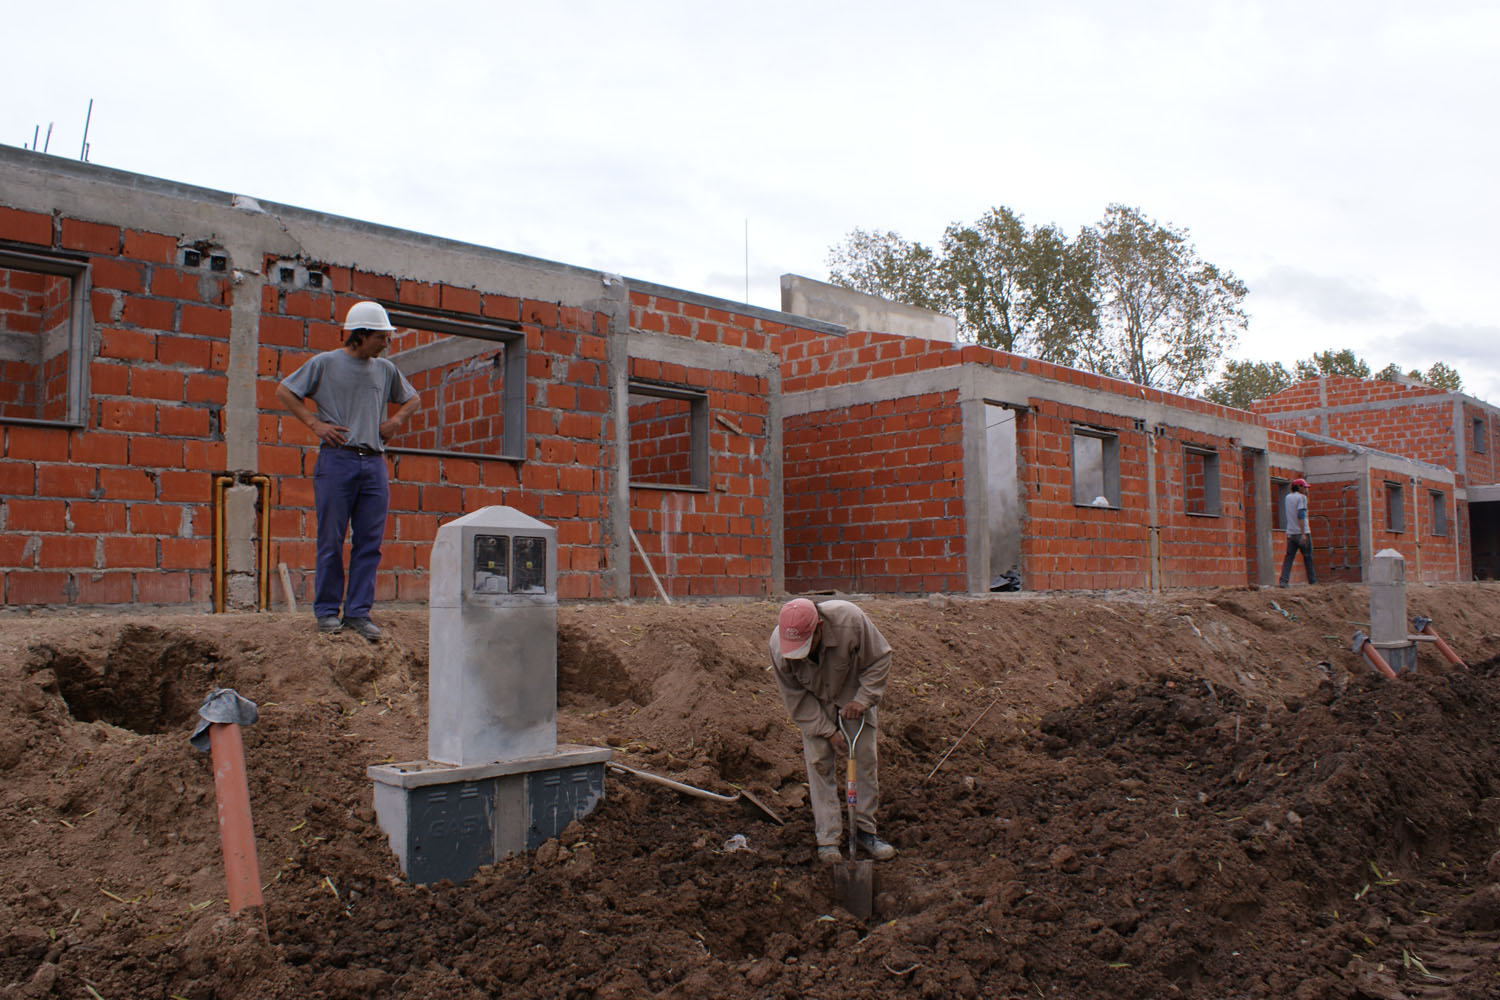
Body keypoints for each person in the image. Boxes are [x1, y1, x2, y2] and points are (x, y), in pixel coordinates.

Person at [274, 301, 420, 641]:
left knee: (369, 542)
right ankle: (327, 612)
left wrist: (396, 421)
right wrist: (314, 423)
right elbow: (285, 391)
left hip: (373, 462)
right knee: (331, 539)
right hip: (337, 460)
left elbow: (412, 399)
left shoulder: (385, 370)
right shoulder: (324, 364)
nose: (388, 343)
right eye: (383, 337)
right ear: (362, 334)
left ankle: (358, 613)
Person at [769, 597, 897, 865]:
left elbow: (880, 658)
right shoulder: (779, 647)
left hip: (853, 697)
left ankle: (865, 831)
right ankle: (828, 839)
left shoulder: (851, 621)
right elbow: (795, 698)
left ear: (819, 628)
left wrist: (863, 699)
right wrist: (827, 731)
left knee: (863, 760)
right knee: (819, 764)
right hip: (814, 701)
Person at [1278, 477, 1317, 587]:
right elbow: (1301, 515)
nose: (1306, 490)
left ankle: (1283, 581)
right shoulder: (1302, 498)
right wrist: (1303, 533)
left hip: (1290, 533)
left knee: (1289, 557)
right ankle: (1313, 582)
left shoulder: (1287, 497)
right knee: (1308, 557)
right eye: (1305, 487)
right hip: (1302, 532)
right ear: (1299, 487)